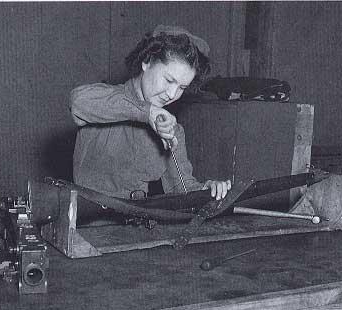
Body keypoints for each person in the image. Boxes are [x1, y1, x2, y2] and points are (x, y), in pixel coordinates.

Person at [70, 25, 231, 201]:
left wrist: (206, 191)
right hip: (91, 224)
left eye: (181, 87)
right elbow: (78, 101)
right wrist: (147, 112)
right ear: (147, 61)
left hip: (139, 222)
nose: (171, 94)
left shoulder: (171, 129)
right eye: (169, 80)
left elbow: (182, 188)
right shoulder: (107, 99)